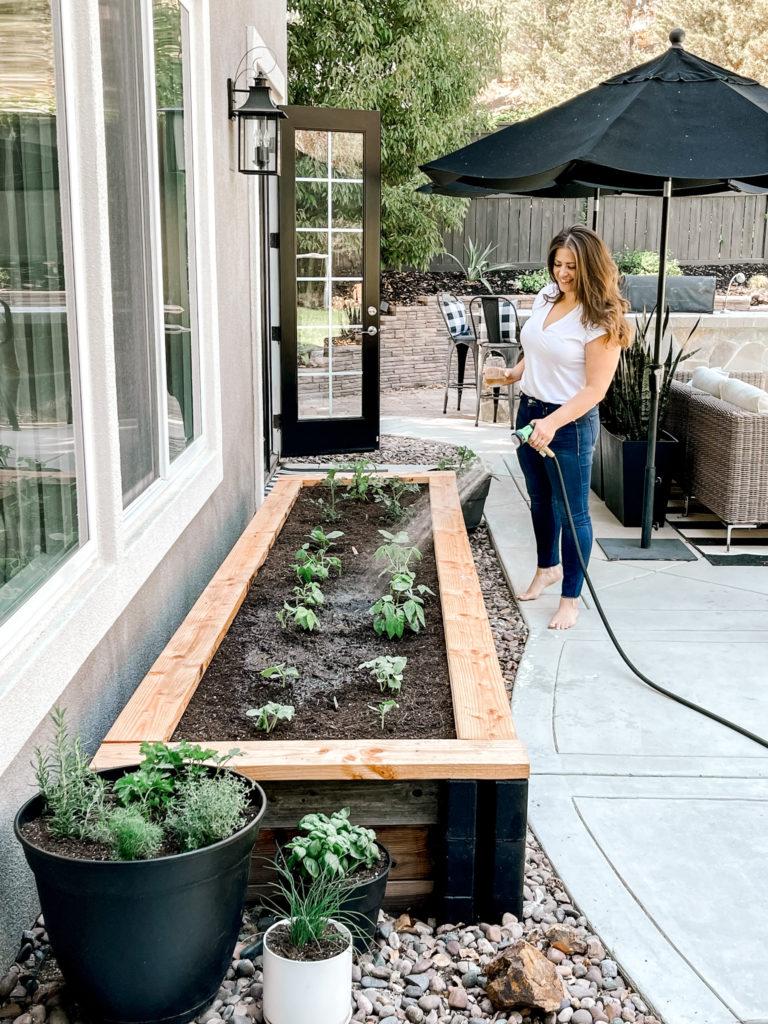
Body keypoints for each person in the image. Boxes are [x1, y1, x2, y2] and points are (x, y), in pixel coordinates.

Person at [501, 225, 631, 630]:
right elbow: (537, 345)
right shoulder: (546, 296)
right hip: (530, 413)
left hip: (568, 424)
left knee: (572, 513)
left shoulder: (601, 321)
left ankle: (571, 598)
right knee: (540, 501)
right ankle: (546, 568)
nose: (562, 273)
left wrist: (552, 423)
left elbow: (595, 390)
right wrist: (513, 374)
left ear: (591, 266)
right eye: (557, 264)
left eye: (572, 266)